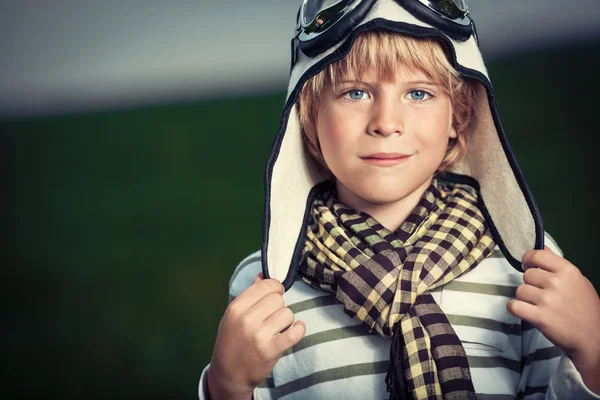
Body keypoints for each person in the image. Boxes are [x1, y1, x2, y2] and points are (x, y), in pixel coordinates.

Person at [199, 1, 600, 399]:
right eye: (355, 92)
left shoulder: (526, 262)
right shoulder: (269, 282)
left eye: (419, 93)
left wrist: (594, 357)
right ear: (309, 116)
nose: (386, 123)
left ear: (457, 117)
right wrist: (228, 385)